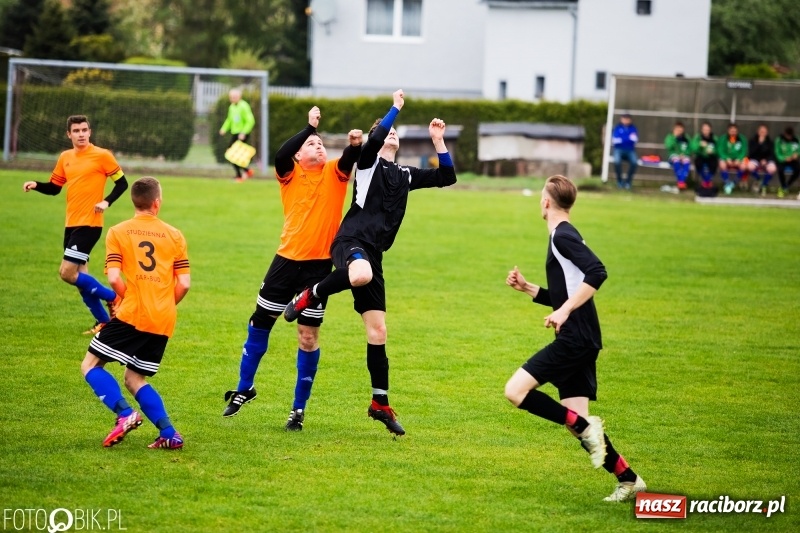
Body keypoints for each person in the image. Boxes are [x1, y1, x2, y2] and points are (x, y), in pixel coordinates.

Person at [283, 89, 457, 437]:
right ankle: (310, 294)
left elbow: (447, 177)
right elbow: (375, 137)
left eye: (394, 132)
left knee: (378, 331)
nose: (391, 134)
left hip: (374, 255)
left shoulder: (405, 175)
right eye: (387, 131)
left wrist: (438, 140)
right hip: (350, 243)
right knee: (359, 273)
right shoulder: (367, 164)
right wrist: (394, 109)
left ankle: (380, 402)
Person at [504, 175, 645, 503]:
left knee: (515, 391)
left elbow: (597, 271)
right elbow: (565, 290)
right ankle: (628, 478)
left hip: (575, 338)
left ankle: (586, 428)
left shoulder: (562, 236)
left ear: (546, 202)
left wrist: (565, 311)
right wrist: (528, 288)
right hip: (582, 337)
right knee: (576, 421)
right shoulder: (561, 235)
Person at [222, 106, 363, 431]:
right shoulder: (289, 174)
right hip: (285, 261)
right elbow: (282, 152)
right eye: (311, 144)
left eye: (320, 143)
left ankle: (297, 410)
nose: (318, 146)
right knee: (260, 323)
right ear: (299, 155)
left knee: (308, 337)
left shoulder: (333, 172)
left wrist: (354, 145)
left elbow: (349, 159)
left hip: (317, 269)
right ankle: (245, 388)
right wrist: (308, 128)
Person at [80, 177, 190, 450]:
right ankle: (169, 433)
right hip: (163, 318)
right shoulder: (175, 234)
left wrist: (129, 298)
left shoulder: (118, 231)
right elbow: (185, 283)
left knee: (91, 365)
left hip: (133, 313)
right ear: (157, 202)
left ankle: (125, 414)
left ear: (134, 201)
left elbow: (115, 278)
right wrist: (163, 304)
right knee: (134, 378)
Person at [23, 115, 128, 335]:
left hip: (90, 224)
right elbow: (54, 187)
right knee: (81, 278)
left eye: (84, 130)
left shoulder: (102, 155)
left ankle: (114, 297)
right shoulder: (65, 157)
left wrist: (106, 201)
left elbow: (123, 183)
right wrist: (36, 185)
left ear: (90, 132)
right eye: (76, 131)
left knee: (66, 273)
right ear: (69, 134)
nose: (81, 134)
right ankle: (104, 322)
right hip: (71, 224)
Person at [219, 88, 256, 182]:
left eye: (234, 97)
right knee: (232, 154)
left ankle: (240, 175)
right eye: (231, 97)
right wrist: (224, 128)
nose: (232, 98)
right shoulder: (232, 107)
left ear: (239, 97)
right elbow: (229, 120)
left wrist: (244, 132)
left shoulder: (244, 106)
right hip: (235, 133)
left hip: (242, 134)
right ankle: (246, 171)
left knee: (232, 154)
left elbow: (250, 121)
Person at [747, 124, 777, 197]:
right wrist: (759, 144)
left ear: (767, 133)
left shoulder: (770, 142)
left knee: (772, 168)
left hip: (767, 160)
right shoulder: (752, 141)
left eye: (764, 132)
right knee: (749, 166)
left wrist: (766, 160)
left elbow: (772, 154)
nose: (762, 133)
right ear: (758, 132)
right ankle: (758, 179)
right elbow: (751, 153)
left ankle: (764, 185)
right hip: (756, 159)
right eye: (761, 131)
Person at [717, 123, 748, 195]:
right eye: (731, 131)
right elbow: (720, 150)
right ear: (728, 131)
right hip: (727, 159)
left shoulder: (742, 139)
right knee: (721, 164)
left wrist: (739, 159)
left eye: (735, 131)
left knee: (744, 165)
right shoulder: (723, 138)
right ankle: (727, 183)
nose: (733, 133)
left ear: (737, 131)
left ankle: (733, 183)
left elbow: (744, 151)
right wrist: (726, 158)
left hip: (738, 159)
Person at [611, 113, 638, 189]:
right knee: (617, 161)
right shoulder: (617, 128)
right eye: (624, 118)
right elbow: (615, 140)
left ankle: (628, 182)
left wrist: (622, 139)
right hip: (618, 149)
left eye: (627, 119)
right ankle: (619, 181)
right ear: (621, 119)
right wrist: (627, 139)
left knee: (634, 162)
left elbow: (634, 140)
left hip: (630, 150)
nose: (626, 120)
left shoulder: (633, 128)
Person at [664, 121, 692, 190]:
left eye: (680, 129)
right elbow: (669, 146)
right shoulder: (670, 137)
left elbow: (690, 149)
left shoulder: (686, 138)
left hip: (683, 156)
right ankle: (681, 182)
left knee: (687, 161)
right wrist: (674, 138)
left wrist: (685, 154)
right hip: (673, 156)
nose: (679, 131)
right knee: (676, 160)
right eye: (677, 129)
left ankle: (681, 182)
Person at [691, 122, 719, 190]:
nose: (706, 131)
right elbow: (693, 149)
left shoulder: (714, 138)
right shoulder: (698, 138)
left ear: (710, 130)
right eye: (704, 129)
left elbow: (718, 150)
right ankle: (707, 182)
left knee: (714, 163)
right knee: (698, 163)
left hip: (711, 157)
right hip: (701, 156)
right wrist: (699, 146)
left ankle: (706, 182)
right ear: (702, 130)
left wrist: (713, 152)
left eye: (707, 130)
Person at [775, 126, 800, 198]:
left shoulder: (796, 139)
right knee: (780, 169)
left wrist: (797, 154)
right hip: (783, 160)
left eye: (790, 136)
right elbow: (777, 152)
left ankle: (787, 185)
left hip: (793, 160)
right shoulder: (779, 140)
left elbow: (799, 150)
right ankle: (783, 186)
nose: (789, 138)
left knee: (798, 169)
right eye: (787, 136)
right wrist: (784, 158)